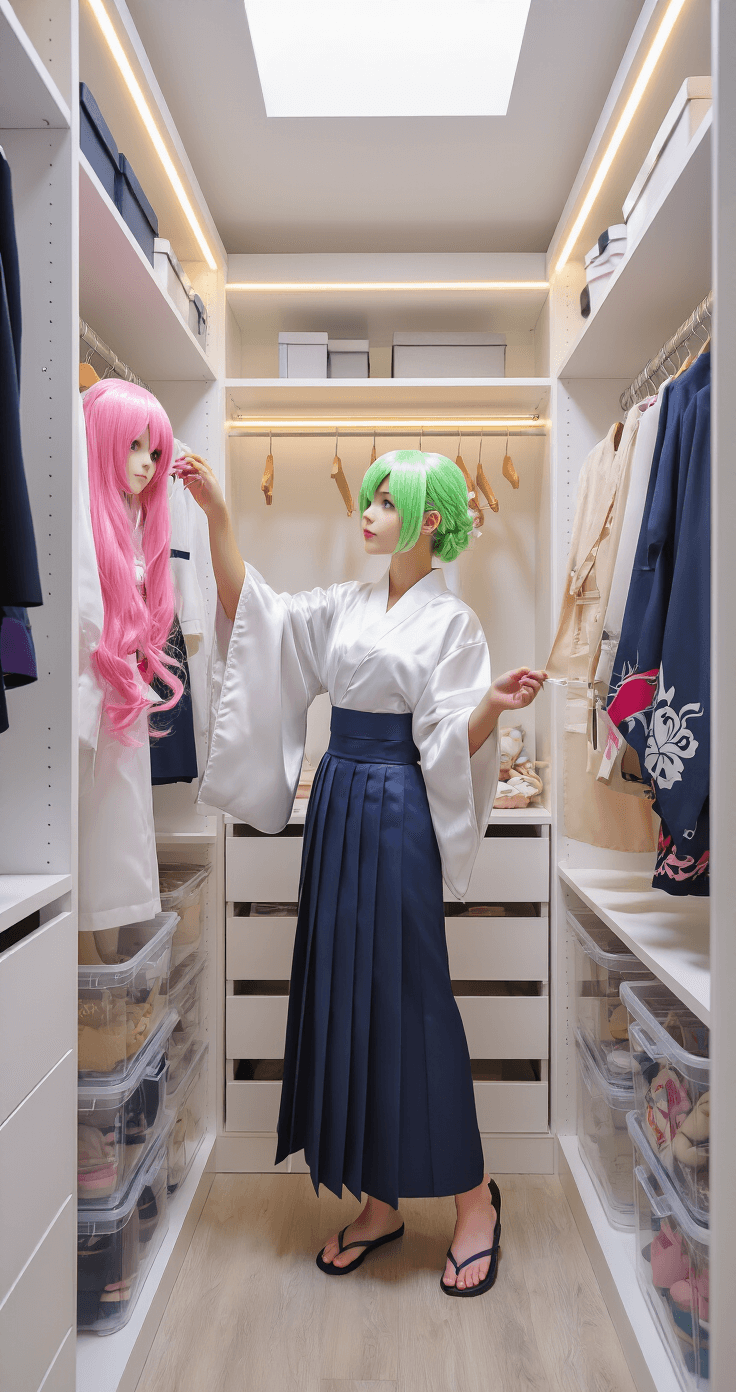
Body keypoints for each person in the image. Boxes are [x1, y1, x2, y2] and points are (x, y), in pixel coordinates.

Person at [181, 447, 547, 1296]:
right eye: (371, 496)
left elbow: (448, 742)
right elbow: (254, 614)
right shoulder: (346, 604)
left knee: (413, 1003)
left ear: (429, 520)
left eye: (386, 500)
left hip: (399, 811)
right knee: (346, 991)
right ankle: (380, 1203)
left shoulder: (453, 624)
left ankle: (474, 1200)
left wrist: (490, 706)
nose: (368, 510)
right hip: (337, 803)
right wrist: (219, 516)